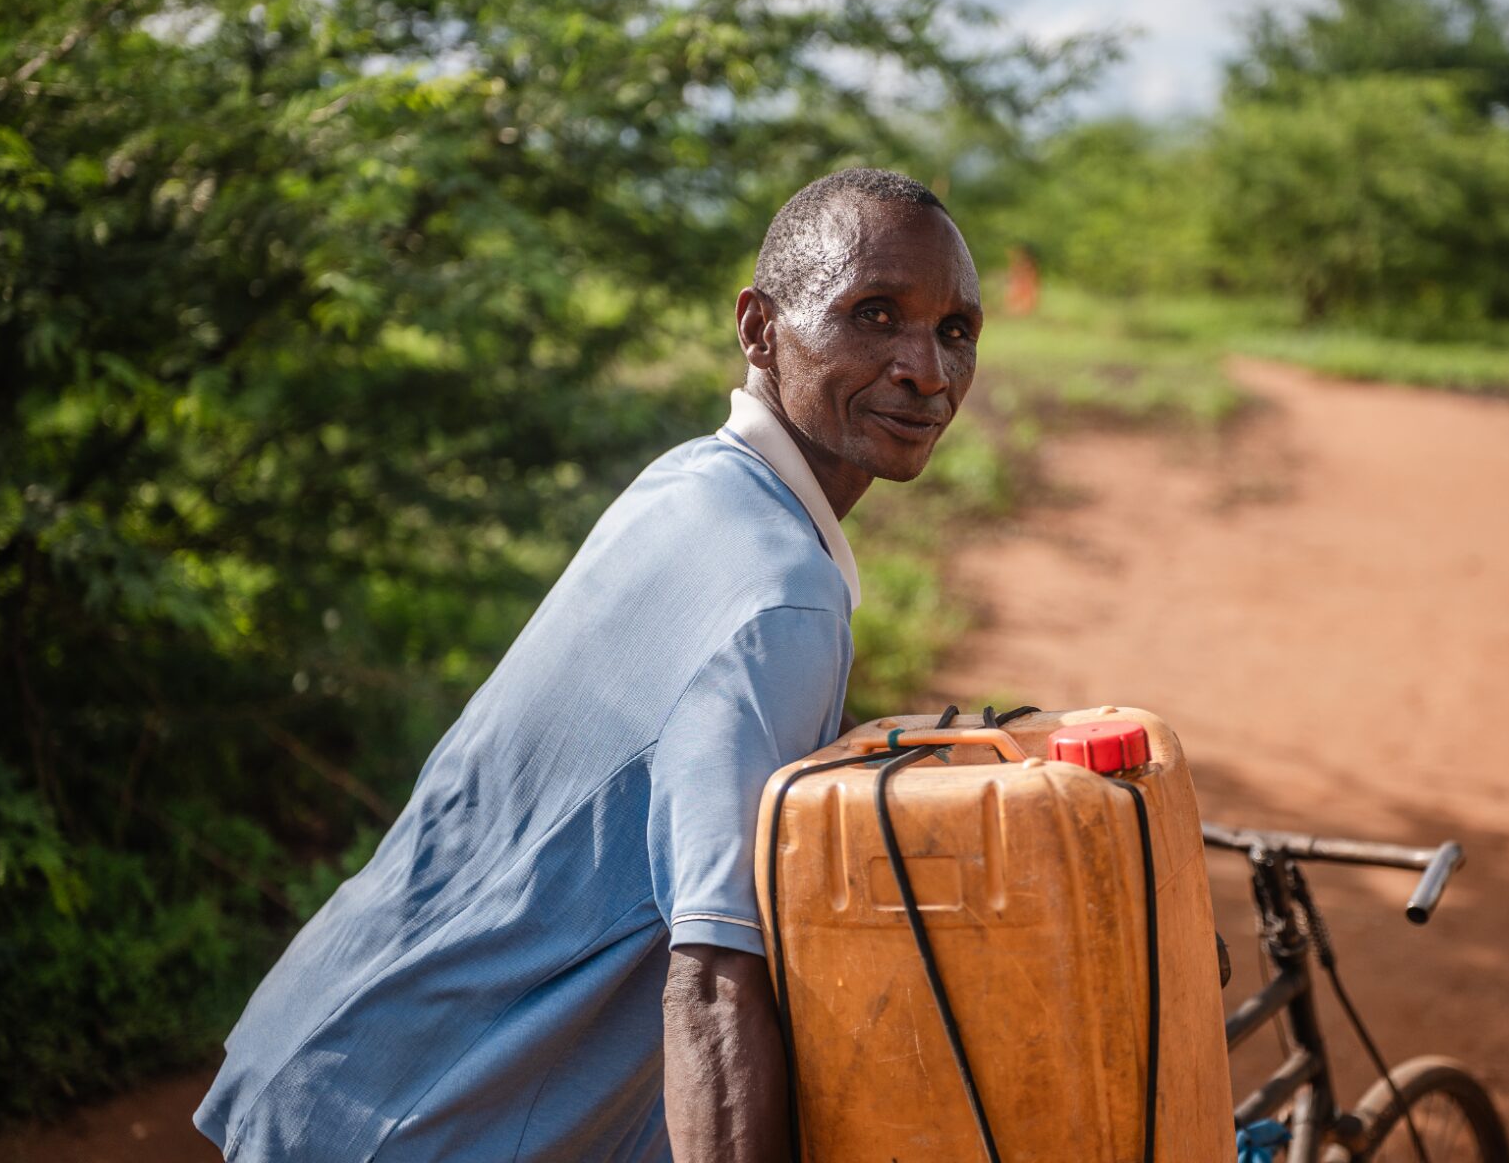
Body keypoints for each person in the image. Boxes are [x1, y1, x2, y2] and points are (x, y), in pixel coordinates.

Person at [193, 168, 983, 1162]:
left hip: (344, 1058)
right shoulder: (781, 595)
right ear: (758, 328)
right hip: (417, 1120)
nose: (926, 368)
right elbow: (713, 985)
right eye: (874, 315)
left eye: (956, 330)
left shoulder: (698, 486)